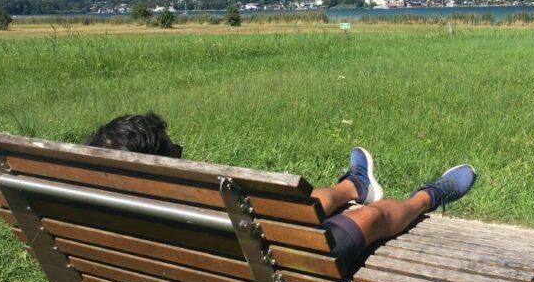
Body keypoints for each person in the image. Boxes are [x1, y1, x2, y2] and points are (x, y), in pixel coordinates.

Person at [86, 113, 476, 270]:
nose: (182, 155)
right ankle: (428, 196)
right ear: (159, 167)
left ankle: (353, 185)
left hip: (212, 268)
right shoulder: (188, 200)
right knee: (370, 217)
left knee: (297, 208)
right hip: (268, 274)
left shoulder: (102, 213)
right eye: (175, 152)